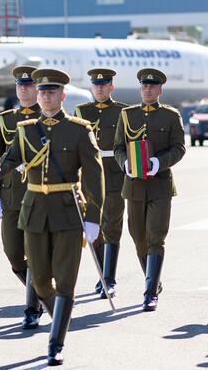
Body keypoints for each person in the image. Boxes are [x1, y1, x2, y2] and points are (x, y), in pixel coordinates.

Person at [0, 68, 104, 366]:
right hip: (34, 212)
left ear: (63, 96)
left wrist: (94, 217)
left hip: (68, 210)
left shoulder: (80, 130)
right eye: (42, 92)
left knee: (65, 280)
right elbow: (12, 158)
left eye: (51, 92)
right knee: (40, 281)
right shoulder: (26, 128)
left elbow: (94, 176)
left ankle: (56, 343)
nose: (45, 96)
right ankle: (60, 318)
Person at [113, 68, 185, 312]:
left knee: (156, 237)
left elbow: (179, 148)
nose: (148, 89)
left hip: (160, 185)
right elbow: (118, 147)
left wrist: (158, 162)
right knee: (138, 237)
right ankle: (153, 279)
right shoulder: (127, 115)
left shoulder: (171, 116)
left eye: (153, 86)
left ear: (160, 90)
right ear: (140, 88)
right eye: (144, 86)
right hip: (133, 186)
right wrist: (125, 164)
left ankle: (150, 292)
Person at [0, 66, 43, 329]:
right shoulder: (6, 120)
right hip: (10, 196)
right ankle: (41, 290)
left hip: (38, 194)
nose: (23, 89)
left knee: (35, 253)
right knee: (13, 254)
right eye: (20, 85)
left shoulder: (48, 118)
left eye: (29, 85)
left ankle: (32, 306)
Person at [74, 68, 128, 299]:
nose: (99, 88)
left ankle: (109, 278)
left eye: (104, 85)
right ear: (91, 87)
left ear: (111, 87)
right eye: (96, 85)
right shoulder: (81, 111)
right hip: (89, 177)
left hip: (114, 174)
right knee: (93, 227)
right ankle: (102, 276)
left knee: (112, 227)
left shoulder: (123, 111)